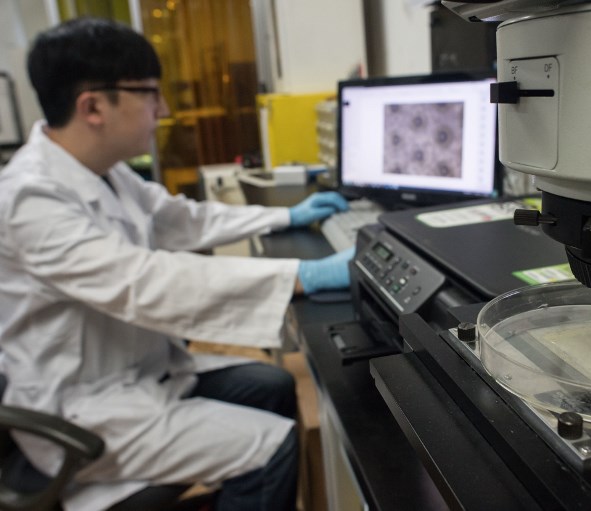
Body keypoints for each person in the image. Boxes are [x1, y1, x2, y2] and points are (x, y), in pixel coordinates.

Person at [0, 16, 353, 511]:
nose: (163, 110)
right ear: (93, 106)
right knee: (270, 447)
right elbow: (143, 281)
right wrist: (304, 275)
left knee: (273, 384)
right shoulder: (28, 199)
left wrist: (285, 215)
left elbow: (181, 218)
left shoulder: (104, 172)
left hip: (141, 368)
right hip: (82, 404)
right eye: (150, 93)